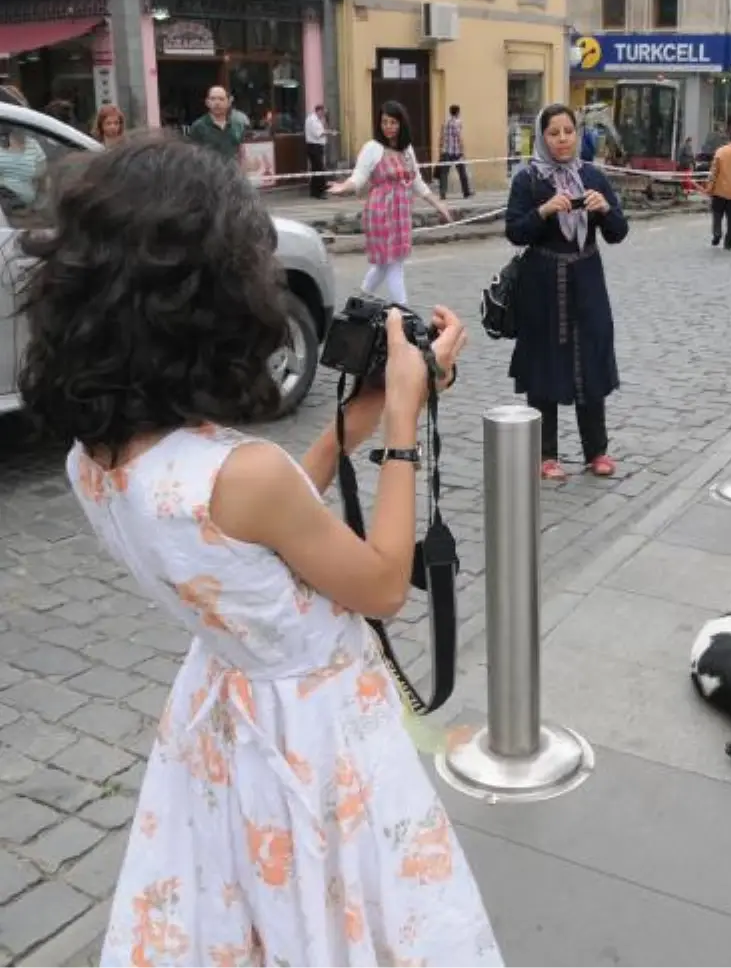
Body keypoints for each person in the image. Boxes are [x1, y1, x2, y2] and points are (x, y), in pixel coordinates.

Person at [14, 133, 500, 965]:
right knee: (344, 908)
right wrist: (403, 425)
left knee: (251, 907)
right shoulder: (242, 475)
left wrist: (358, 419)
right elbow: (382, 585)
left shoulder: (94, 459)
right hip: (315, 732)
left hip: (224, 714)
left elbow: (249, 521)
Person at [504, 103, 628, 481]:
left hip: (587, 281)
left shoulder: (592, 176)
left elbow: (618, 232)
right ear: (542, 137)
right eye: (554, 132)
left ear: (578, 134)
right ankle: (546, 454)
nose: (562, 139)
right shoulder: (528, 180)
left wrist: (605, 209)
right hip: (542, 284)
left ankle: (597, 451)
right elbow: (514, 231)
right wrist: (542, 212)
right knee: (544, 365)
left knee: (590, 360)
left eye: (568, 131)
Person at [328, 101, 452, 307]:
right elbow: (358, 177)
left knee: (385, 265)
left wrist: (439, 205)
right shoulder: (372, 148)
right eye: (384, 122)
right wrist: (344, 186)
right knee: (393, 264)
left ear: (401, 124)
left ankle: (358, 302)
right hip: (381, 212)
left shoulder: (407, 150)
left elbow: (417, 182)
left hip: (401, 213)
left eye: (393, 122)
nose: (388, 127)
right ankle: (403, 310)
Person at [189, 85, 244, 163]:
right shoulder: (198, 127)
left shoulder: (237, 125)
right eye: (213, 99)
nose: (217, 103)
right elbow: (193, 157)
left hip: (233, 172)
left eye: (221, 99)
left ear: (228, 102)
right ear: (207, 102)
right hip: (210, 173)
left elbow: (241, 153)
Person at [437, 104, 472, 199]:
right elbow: (459, 138)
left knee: (444, 174)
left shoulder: (445, 122)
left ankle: (442, 194)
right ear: (457, 112)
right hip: (456, 152)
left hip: (446, 151)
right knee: (462, 172)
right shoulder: (457, 122)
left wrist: (440, 149)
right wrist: (463, 151)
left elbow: (441, 137)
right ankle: (466, 192)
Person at [304, 103, 334, 199]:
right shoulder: (313, 120)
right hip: (314, 147)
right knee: (319, 169)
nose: (323, 115)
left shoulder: (316, 119)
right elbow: (318, 134)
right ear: (319, 111)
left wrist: (325, 124)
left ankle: (314, 191)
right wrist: (330, 132)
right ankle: (319, 192)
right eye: (323, 113)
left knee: (316, 169)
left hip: (317, 147)